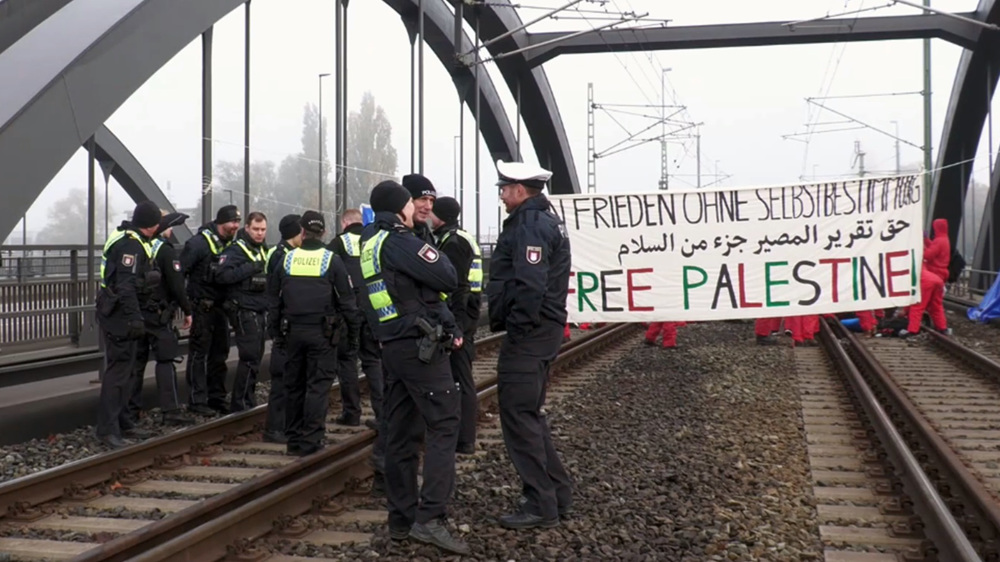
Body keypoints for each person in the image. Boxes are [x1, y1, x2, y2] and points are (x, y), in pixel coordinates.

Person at [360, 181, 468, 555]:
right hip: (419, 347)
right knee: (444, 426)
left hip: (392, 347)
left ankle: (401, 520)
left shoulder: (369, 242)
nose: (415, 208)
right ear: (398, 208)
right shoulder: (399, 240)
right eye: (411, 203)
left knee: (401, 435)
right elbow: (447, 276)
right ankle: (431, 519)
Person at [486, 159, 574, 529]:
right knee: (530, 415)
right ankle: (556, 492)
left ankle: (540, 504)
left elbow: (530, 284)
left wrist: (518, 328)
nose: (503, 196)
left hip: (531, 334)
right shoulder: (544, 219)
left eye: (505, 189)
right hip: (543, 331)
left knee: (519, 416)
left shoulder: (531, 225)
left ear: (520, 190)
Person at [268, 211, 361, 456]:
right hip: (322, 333)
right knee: (317, 387)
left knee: (294, 386)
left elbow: (273, 301)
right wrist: (352, 335)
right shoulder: (332, 260)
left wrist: (276, 332)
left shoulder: (286, 260)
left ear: (302, 231)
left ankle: (294, 441)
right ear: (324, 232)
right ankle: (311, 441)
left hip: (292, 333)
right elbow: (347, 302)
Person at [95, 201, 162, 449]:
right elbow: (125, 285)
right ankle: (107, 429)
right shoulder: (131, 246)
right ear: (151, 225)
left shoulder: (129, 237)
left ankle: (123, 421)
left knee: (129, 369)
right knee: (119, 371)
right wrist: (134, 317)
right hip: (119, 316)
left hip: (119, 312)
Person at [124, 211, 196, 428]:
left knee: (136, 364)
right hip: (159, 316)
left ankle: (131, 412)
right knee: (165, 361)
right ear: (162, 227)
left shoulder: (139, 246)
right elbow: (176, 284)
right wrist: (187, 310)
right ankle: (171, 410)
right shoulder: (165, 250)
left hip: (138, 314)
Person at [431, 196, 482, 455]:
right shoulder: (459, 237)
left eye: (433, 212)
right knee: (459, 375)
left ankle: (464, 439)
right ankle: (461, 436)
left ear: (441, 216)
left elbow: (457, 286)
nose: (429, 216)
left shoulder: (452, 242)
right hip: (468, 311)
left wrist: (457, 326)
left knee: (461, 376)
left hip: (462, 315)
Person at [181, 205, 242, 415]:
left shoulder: (231, 245)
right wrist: (183, 306)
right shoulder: (199, 244)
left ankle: (216, 397)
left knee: (220, 353)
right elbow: (181, 271)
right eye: (232, 222)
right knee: (199, 354)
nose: (235, 226)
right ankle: (197, 400)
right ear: (220, 222)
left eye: (237, 223)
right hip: (202, 306)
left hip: (221, 307)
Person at [328, 208, 384, 428]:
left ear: (344, 223)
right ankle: (382, 413)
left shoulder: (338, 243)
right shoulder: (374, 241)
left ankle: (351, 413)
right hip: (373, 308)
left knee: (347, 361)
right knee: (372, 360)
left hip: (348, 311)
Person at [215, 212, 270, 412]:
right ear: (246, 228)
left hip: (259, 309)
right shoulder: (236, 251)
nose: (259, 233)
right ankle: (240, 403)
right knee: (250, 356)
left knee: (257, 356)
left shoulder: (262, 249)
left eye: (263, 229)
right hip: (244, 309)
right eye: (255, 229)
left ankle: (248, 398)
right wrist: (250, 268)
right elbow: (222, 276)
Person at [262, 214, 303, 443]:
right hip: (283, 323)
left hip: (284, 321)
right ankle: (274, 428)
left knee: (289, 377)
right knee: (281, 379)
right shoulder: (282, 256)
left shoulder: (279, 253)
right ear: (295, 233)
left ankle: (284, 425)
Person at [401, 173, 437, 244]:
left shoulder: (425, 232)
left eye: (431, 201)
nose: (428, 207)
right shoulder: (395, 234)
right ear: (408, 201)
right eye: (423, 199)